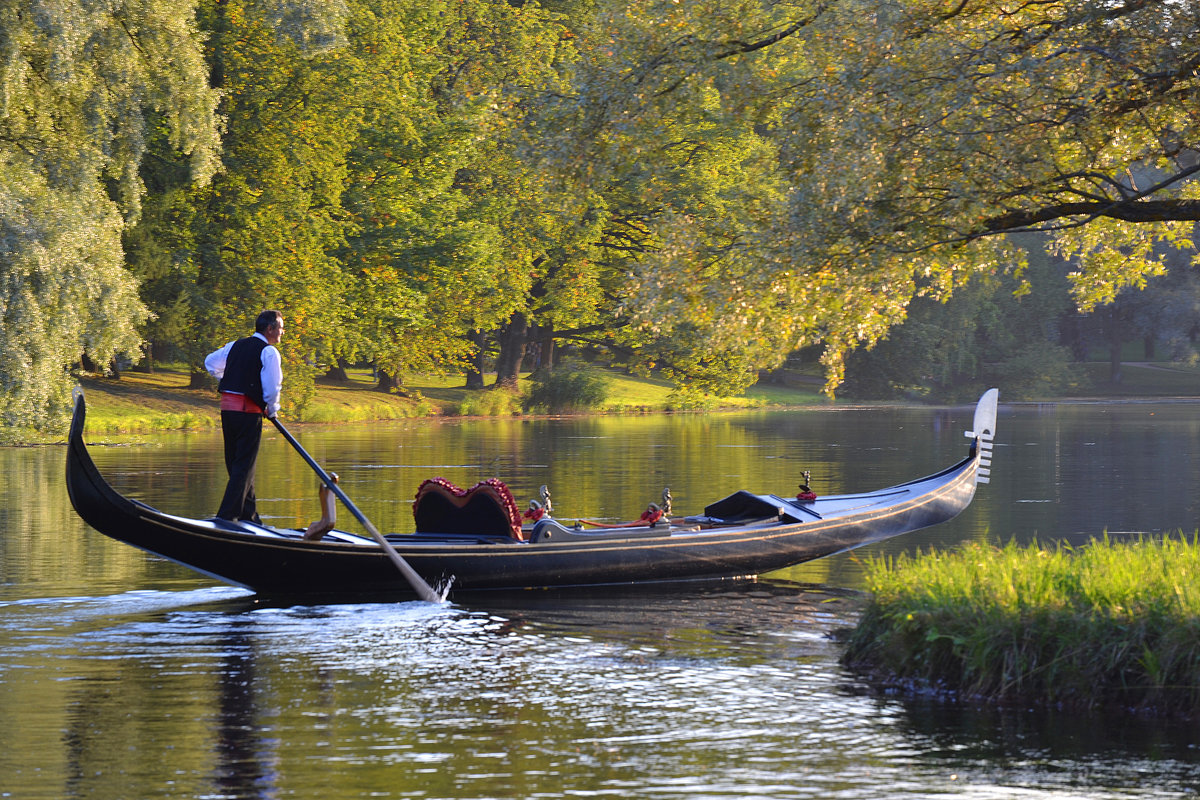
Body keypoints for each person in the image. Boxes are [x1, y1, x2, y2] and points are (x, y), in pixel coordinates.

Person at [204, 310, 284, 523]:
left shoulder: (234, 345)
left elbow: (210, 363)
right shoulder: (269, 352)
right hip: (248, 413)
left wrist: (233, 376)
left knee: (235, 464)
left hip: (227, 412)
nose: (282, 332)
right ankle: (226, 517)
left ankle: (250, 517)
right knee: (243, 466)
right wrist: (272, 409)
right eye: (281, 328)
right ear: (270, 329)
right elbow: (272, 387)